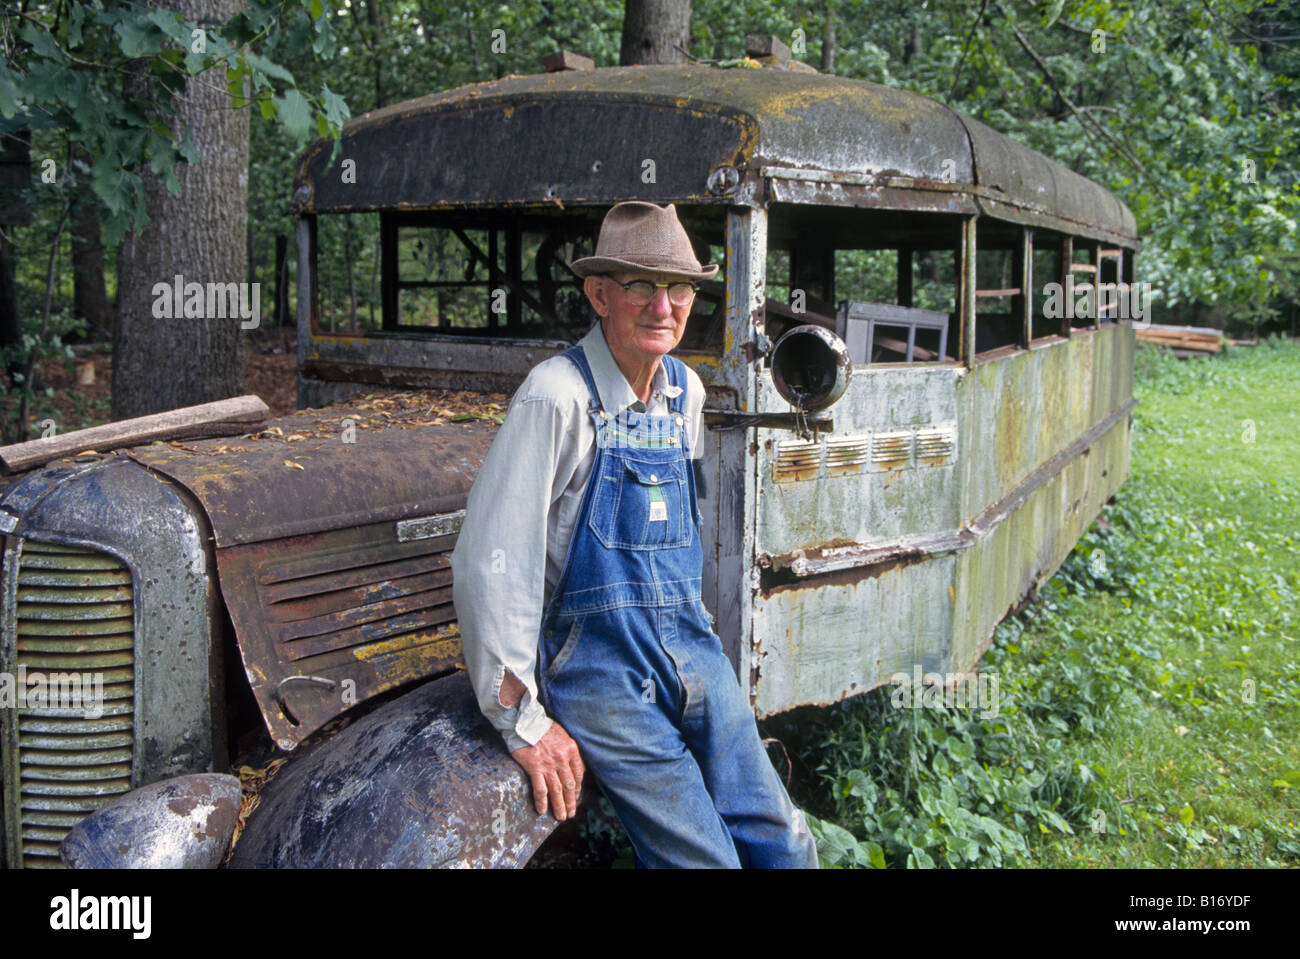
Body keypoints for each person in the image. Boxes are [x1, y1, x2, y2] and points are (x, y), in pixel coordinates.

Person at [451, 201, 819, 868]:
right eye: (641, 286)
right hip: (598, 668)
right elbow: (490, 564)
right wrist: (522, 721)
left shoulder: (684, 393)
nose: (663, 306)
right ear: (600, 294)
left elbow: (677, 527)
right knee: (705, 860)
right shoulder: (555, 397)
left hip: (689, 645)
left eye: (677, 288)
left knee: (784, 838)